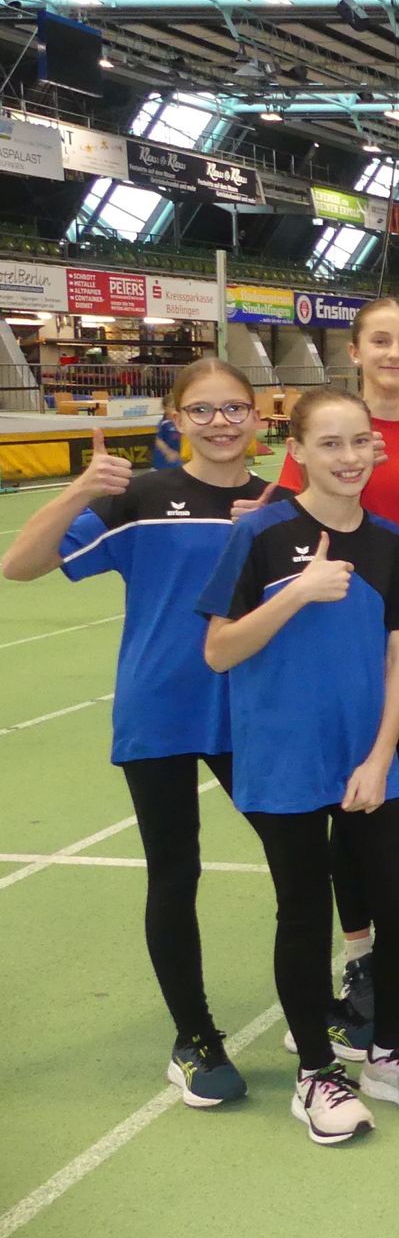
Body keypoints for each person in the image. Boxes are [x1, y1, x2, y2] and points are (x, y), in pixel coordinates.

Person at [2, 363, 268, 1108]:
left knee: (303, 861)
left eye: (234, 409)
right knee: (175, 873)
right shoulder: (141, 499)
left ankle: (316, 1007)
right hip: (161, 710)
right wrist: (80, 491)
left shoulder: (278, 503)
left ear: (257, 418)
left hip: (252, 709)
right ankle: (195, 1038)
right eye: (202, 410)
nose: (220, 423)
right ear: (175, 419)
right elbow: (19, 565)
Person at [199, 385, 399, 1145]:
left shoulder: (386, 542)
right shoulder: (260, 533)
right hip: (282, 755)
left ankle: (387, 1055)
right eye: (330, 443)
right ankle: (316, 1072)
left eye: (359, 443)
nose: (349, 458)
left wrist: (381, 755)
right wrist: (299, 593)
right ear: (299, 451)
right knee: (305, 911)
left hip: (366, 756)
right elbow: (219, 650)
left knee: (398, 903)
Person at [277, 297, 399, 1024]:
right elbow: (286, 519)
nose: (395, 353)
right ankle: (359, 953)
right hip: (339, 651)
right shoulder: (331, 431)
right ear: (355, 351)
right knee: (349, 802)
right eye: (380, 340)